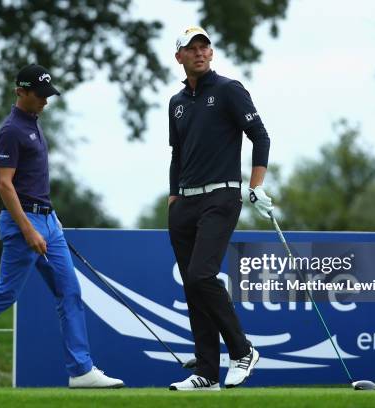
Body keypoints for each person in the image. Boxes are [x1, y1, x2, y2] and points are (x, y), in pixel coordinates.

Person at [0, 64, 124, 390]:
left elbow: (33, 181)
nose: (46, 101)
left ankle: (81, 370)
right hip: (24, 224)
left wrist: (49, 216)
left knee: (70, 292)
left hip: (48, 220)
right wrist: (29, 229)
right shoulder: (11, 130)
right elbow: (4, 185)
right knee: (5, 293)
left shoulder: (33, 123)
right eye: (41, 95)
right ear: (21, 92)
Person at [167, 27, 275, 391]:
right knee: (193, 288)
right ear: (179, 57)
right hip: (185, 202)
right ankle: (207, 373)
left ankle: (242, 351)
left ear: (211, 54)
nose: (199, 53)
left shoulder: (229, 90)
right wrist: (173, 197)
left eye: (204, 47)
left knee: (201, 276)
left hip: (221, 196)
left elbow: (260, 135)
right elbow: (177, 154)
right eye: (191, 49)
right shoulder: (176, 103)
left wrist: (256, 185)